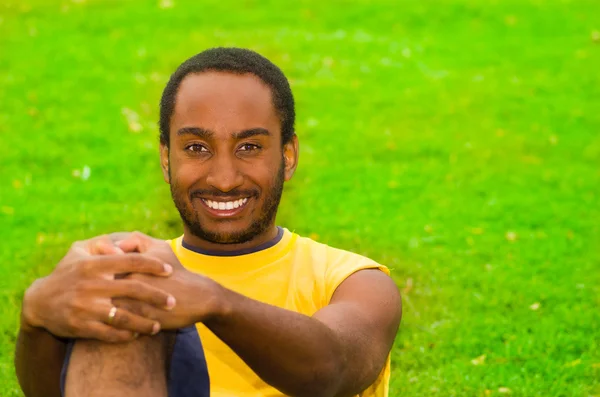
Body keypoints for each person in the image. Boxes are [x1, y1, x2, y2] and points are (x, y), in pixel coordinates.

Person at [15, 47, 402, 397]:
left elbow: (330, 371)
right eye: (197, 148)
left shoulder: (354, 281)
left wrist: (217, 303)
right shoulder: (139, 271)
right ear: (166, 159)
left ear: (288, 155)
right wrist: (37, 320)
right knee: (127, 283)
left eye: (249, 147)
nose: (223, 178)